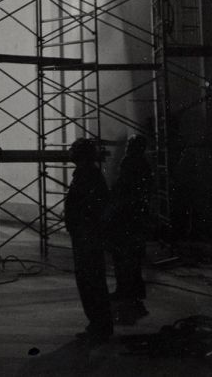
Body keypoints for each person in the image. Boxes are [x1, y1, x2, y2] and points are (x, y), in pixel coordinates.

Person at [64, 138, 114, 345]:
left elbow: (91, 207)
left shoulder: (88, 175)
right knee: (90, 281)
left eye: (74, 150)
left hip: (87, 236)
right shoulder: (87, 174)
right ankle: (97, 325)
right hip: (84, 235)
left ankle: (100, 326)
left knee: (91, 281)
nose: (70, 153)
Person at [108, 135, 152, 323]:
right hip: (133, 218)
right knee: (131, 257)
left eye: (129, 145)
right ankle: (130, 290)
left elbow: (123, 190)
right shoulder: (141, 165)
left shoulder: (132, 164)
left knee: (125, 256)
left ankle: (127, 291)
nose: (126, 148)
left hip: (127, 218)